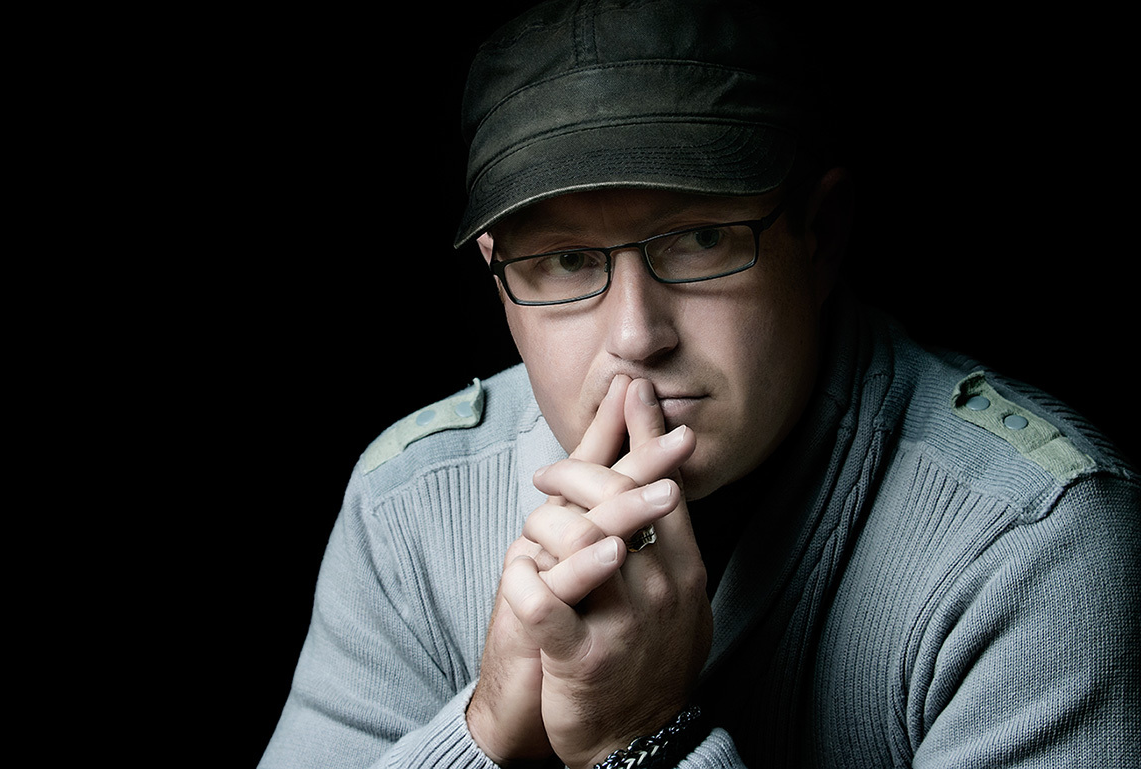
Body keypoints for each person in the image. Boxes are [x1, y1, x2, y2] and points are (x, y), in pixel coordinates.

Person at [259, 1, 1139, 767]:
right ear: (499, 281)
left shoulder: (1027, 540)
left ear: (820, 237)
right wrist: (485, 728)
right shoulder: (411, 506)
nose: (636, 336)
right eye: (566, 261)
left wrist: (641, 738)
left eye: (701, 240)